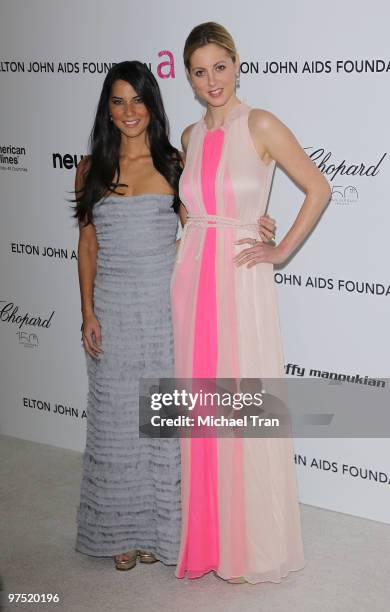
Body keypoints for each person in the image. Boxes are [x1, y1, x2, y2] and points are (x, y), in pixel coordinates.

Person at [74, 59, 276, 572]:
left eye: (138, 100)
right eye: (118, 102)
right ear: (107, 109)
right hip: (115, 312)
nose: (129, 112)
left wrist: (257, 225)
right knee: (117, 424)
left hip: (169, 310)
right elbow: (88, 247)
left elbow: (206, 221)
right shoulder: (90, 168)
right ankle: (120, 530)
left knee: (162, 426)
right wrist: (87, 314)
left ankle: (163, 533)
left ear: (153, 105)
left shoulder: (173, 162)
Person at [171, 22, 331, 584]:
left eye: (220, 66)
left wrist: (278, 248)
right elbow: (193, 209)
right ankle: (209, 537)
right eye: (199, 70)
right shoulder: (189, 136)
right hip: (192, 279)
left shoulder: (258, 123)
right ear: (187, 76)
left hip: (240, 279)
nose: (212, 80)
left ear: (237, 63)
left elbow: (319, 188)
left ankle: (251, 543)